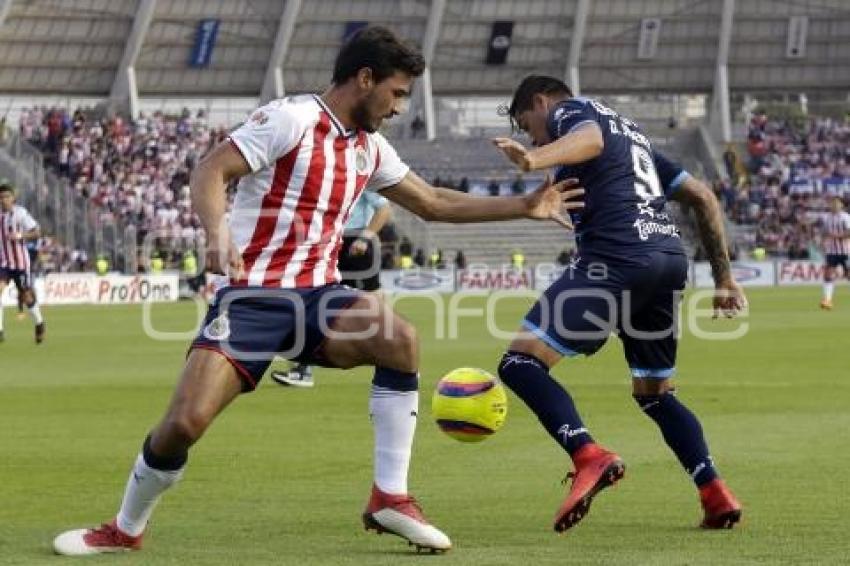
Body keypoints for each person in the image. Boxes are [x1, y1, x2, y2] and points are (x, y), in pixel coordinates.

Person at [53, 28, 583, 556]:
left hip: (320, 296)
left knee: (399, 339)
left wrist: (523, 205)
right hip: (252, 298)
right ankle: (125, 528)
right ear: (365, 78)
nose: (399, 107)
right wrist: (216, 231)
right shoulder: (291, 119)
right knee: (184, 424)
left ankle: (390, 498)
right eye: (396, 93)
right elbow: (211, 169)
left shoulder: (370, 148)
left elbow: (432, 202)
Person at [491, 75, 746, 534]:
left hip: (616, 260)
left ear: (540, 101)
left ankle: (589, 455)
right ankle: (714, 492)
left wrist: (534, 157)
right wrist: (725, 279)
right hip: (667, 261)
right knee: (655, 395)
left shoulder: (572, 113)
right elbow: (703, 197)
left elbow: (585, 139)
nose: (533, 134)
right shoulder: (635, 138)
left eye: (528, 123)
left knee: (519, 362)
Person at [271, 191, 393, 388]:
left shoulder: (359, 171)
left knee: (373, 306)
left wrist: (365, 238)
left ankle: (398, 360)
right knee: (312, 300)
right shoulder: (326, 174)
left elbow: (384, 209)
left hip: (354, 243)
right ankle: (303, 369)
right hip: (328, 242)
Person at [0, 181, 45, 344]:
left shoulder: (20, 214)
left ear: (13, 198)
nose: (4, 200)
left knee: (26, 296)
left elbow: (37, 232)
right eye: (2, 197)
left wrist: (21, 236)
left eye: (7, 196)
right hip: (4, 263)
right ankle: (0, 330)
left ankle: (39, 323)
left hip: (20, 263)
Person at [819, 196, 850, 310]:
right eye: (833, 203)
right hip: (832, 251)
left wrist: (835, 236)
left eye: (837, 203)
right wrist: (822, 243)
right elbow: (824, 232)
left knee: (848, 275)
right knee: (827, 274)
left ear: (842, 205)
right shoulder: (827, 218)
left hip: (846, 251)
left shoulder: (846, 217)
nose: (834, 205)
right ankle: (827, 300)